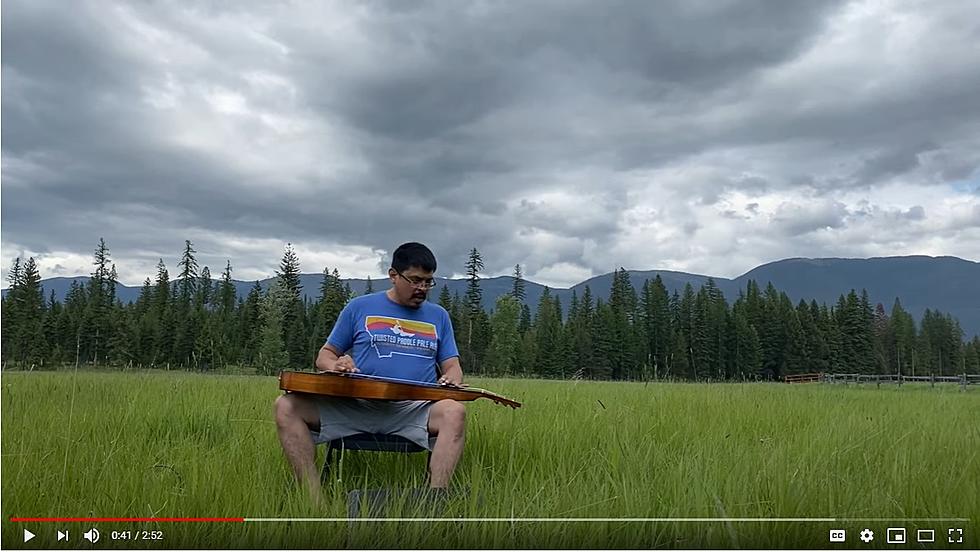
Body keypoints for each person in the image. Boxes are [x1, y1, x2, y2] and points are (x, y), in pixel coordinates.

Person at [274, 242, 466, 500]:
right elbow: (325, 355)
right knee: (286, 406)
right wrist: (336, 366)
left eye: (428, 282)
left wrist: (452, 378)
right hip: (356, 405)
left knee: (455, 411)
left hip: (413, 410)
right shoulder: (359, 307)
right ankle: (313, 501)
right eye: (415, 280)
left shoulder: (438, 316)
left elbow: (452, 365)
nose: (422, 288)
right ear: (393, 275)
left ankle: (434, 501)